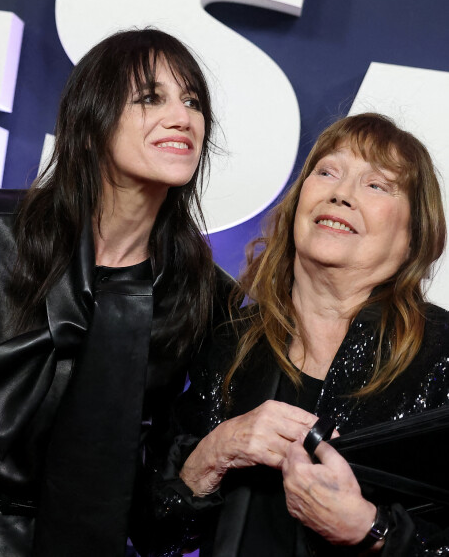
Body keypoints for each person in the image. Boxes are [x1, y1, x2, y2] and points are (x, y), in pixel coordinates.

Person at [0, 28, 233, 557]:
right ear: (88, 126)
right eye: (150, 97)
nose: (182, 116)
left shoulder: (200, 293)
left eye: (193, 100)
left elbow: (162, 485)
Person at [152, 113, 449, 556]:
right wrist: (212, 456)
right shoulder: (229, 342)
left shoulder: (440, 355)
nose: (340, 194)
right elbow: (154, 537)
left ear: (414, 235)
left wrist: (372, 531)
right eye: (327, 171)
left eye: (376, 185)